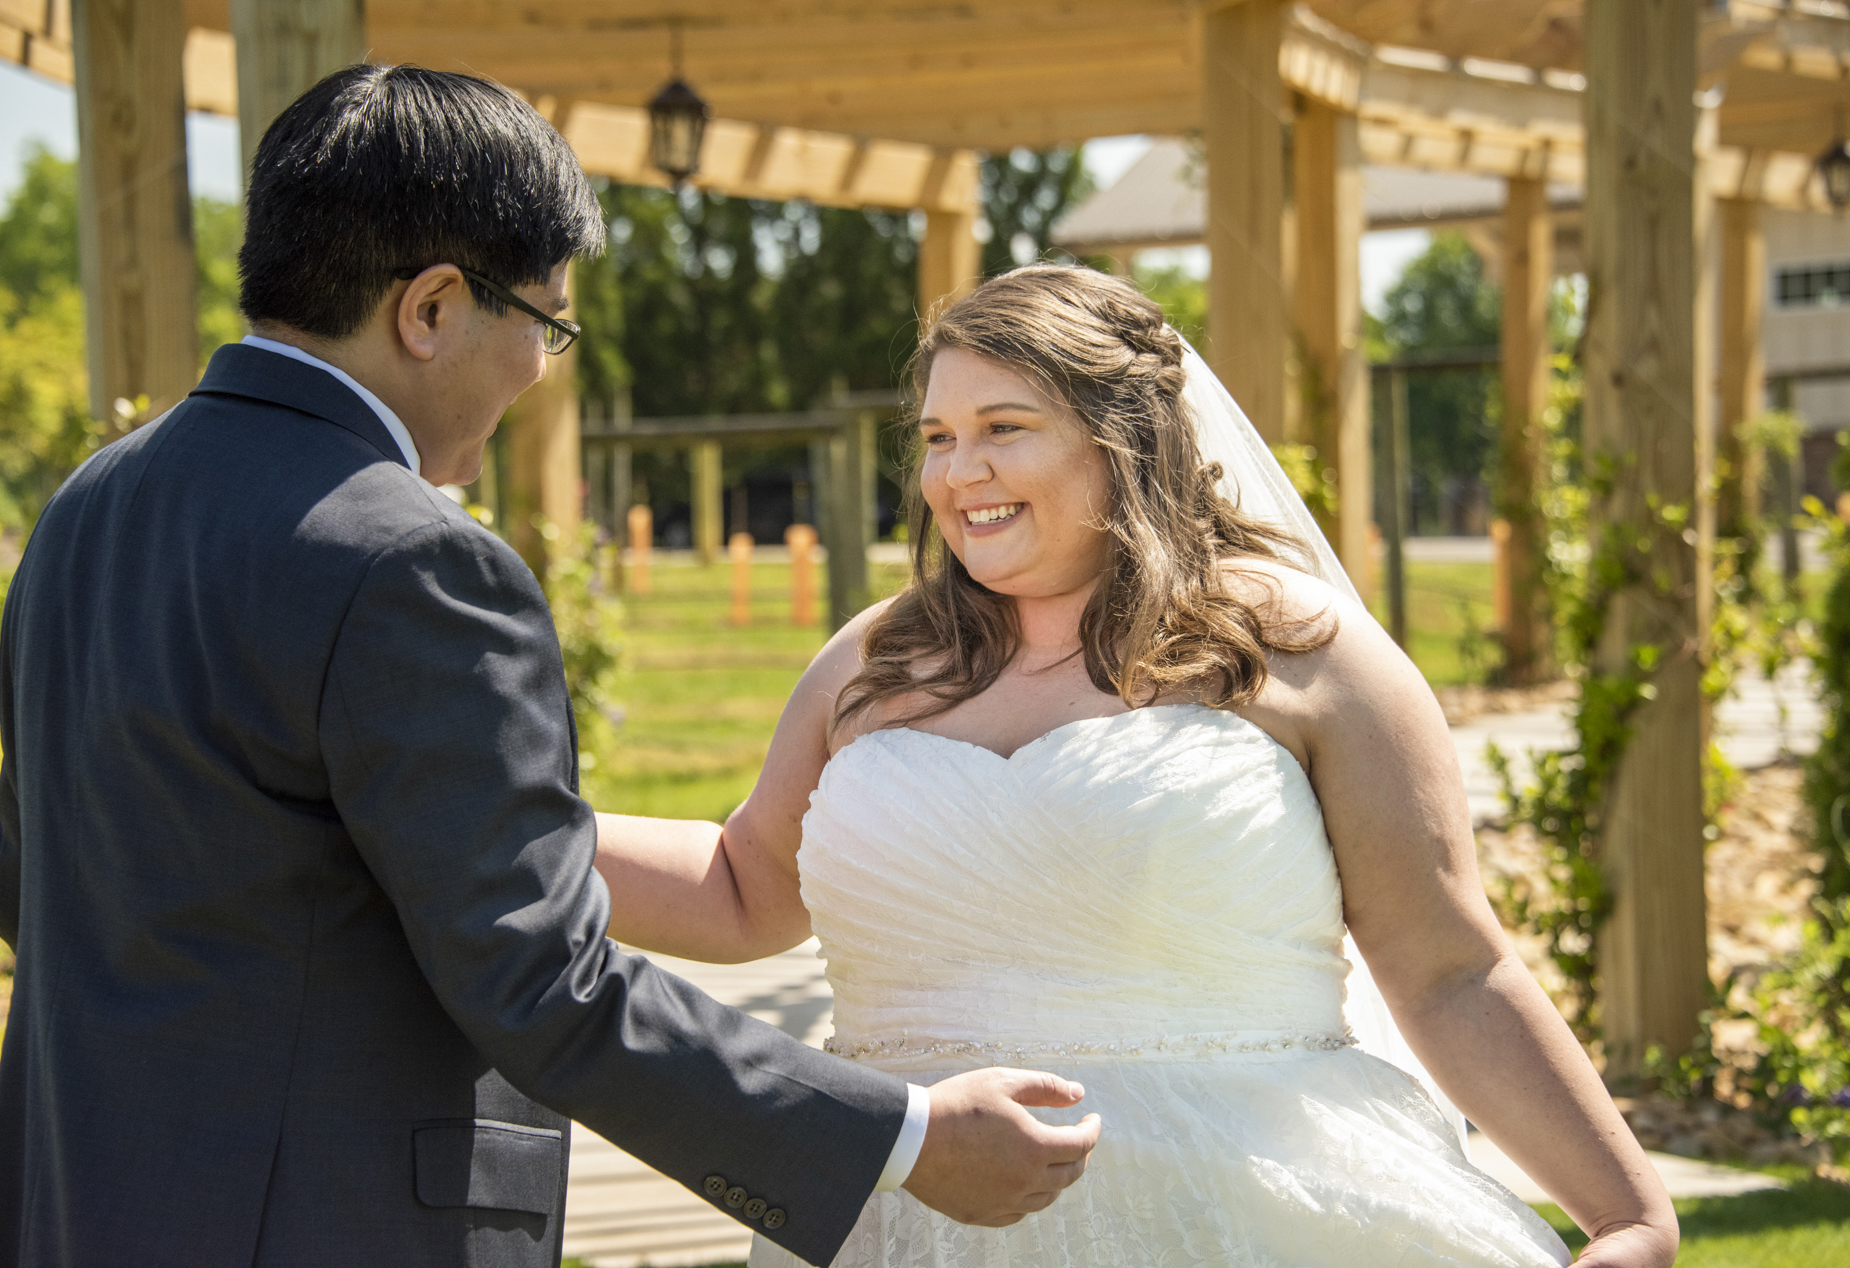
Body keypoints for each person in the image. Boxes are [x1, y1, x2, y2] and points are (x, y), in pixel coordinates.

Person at [0, 68, 1099, 1268]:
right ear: (430, 309)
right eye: (546, 322)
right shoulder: (412, 561)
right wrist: (900, 1136)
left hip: (82, 1199)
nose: (540, 368)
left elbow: (39, 875)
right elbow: (544, 979)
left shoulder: (87, 508)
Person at [591, 265, 1682, 1266]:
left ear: (1119, 438)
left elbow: (1449, 966)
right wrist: (498, 833)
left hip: (1249, 1211)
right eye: (935, 437)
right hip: (912, 1209)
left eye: (1001, 428)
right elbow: (743, 883)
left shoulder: (1304, 655)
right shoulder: (874, 659)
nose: (957, 473)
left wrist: (1628, 1211)